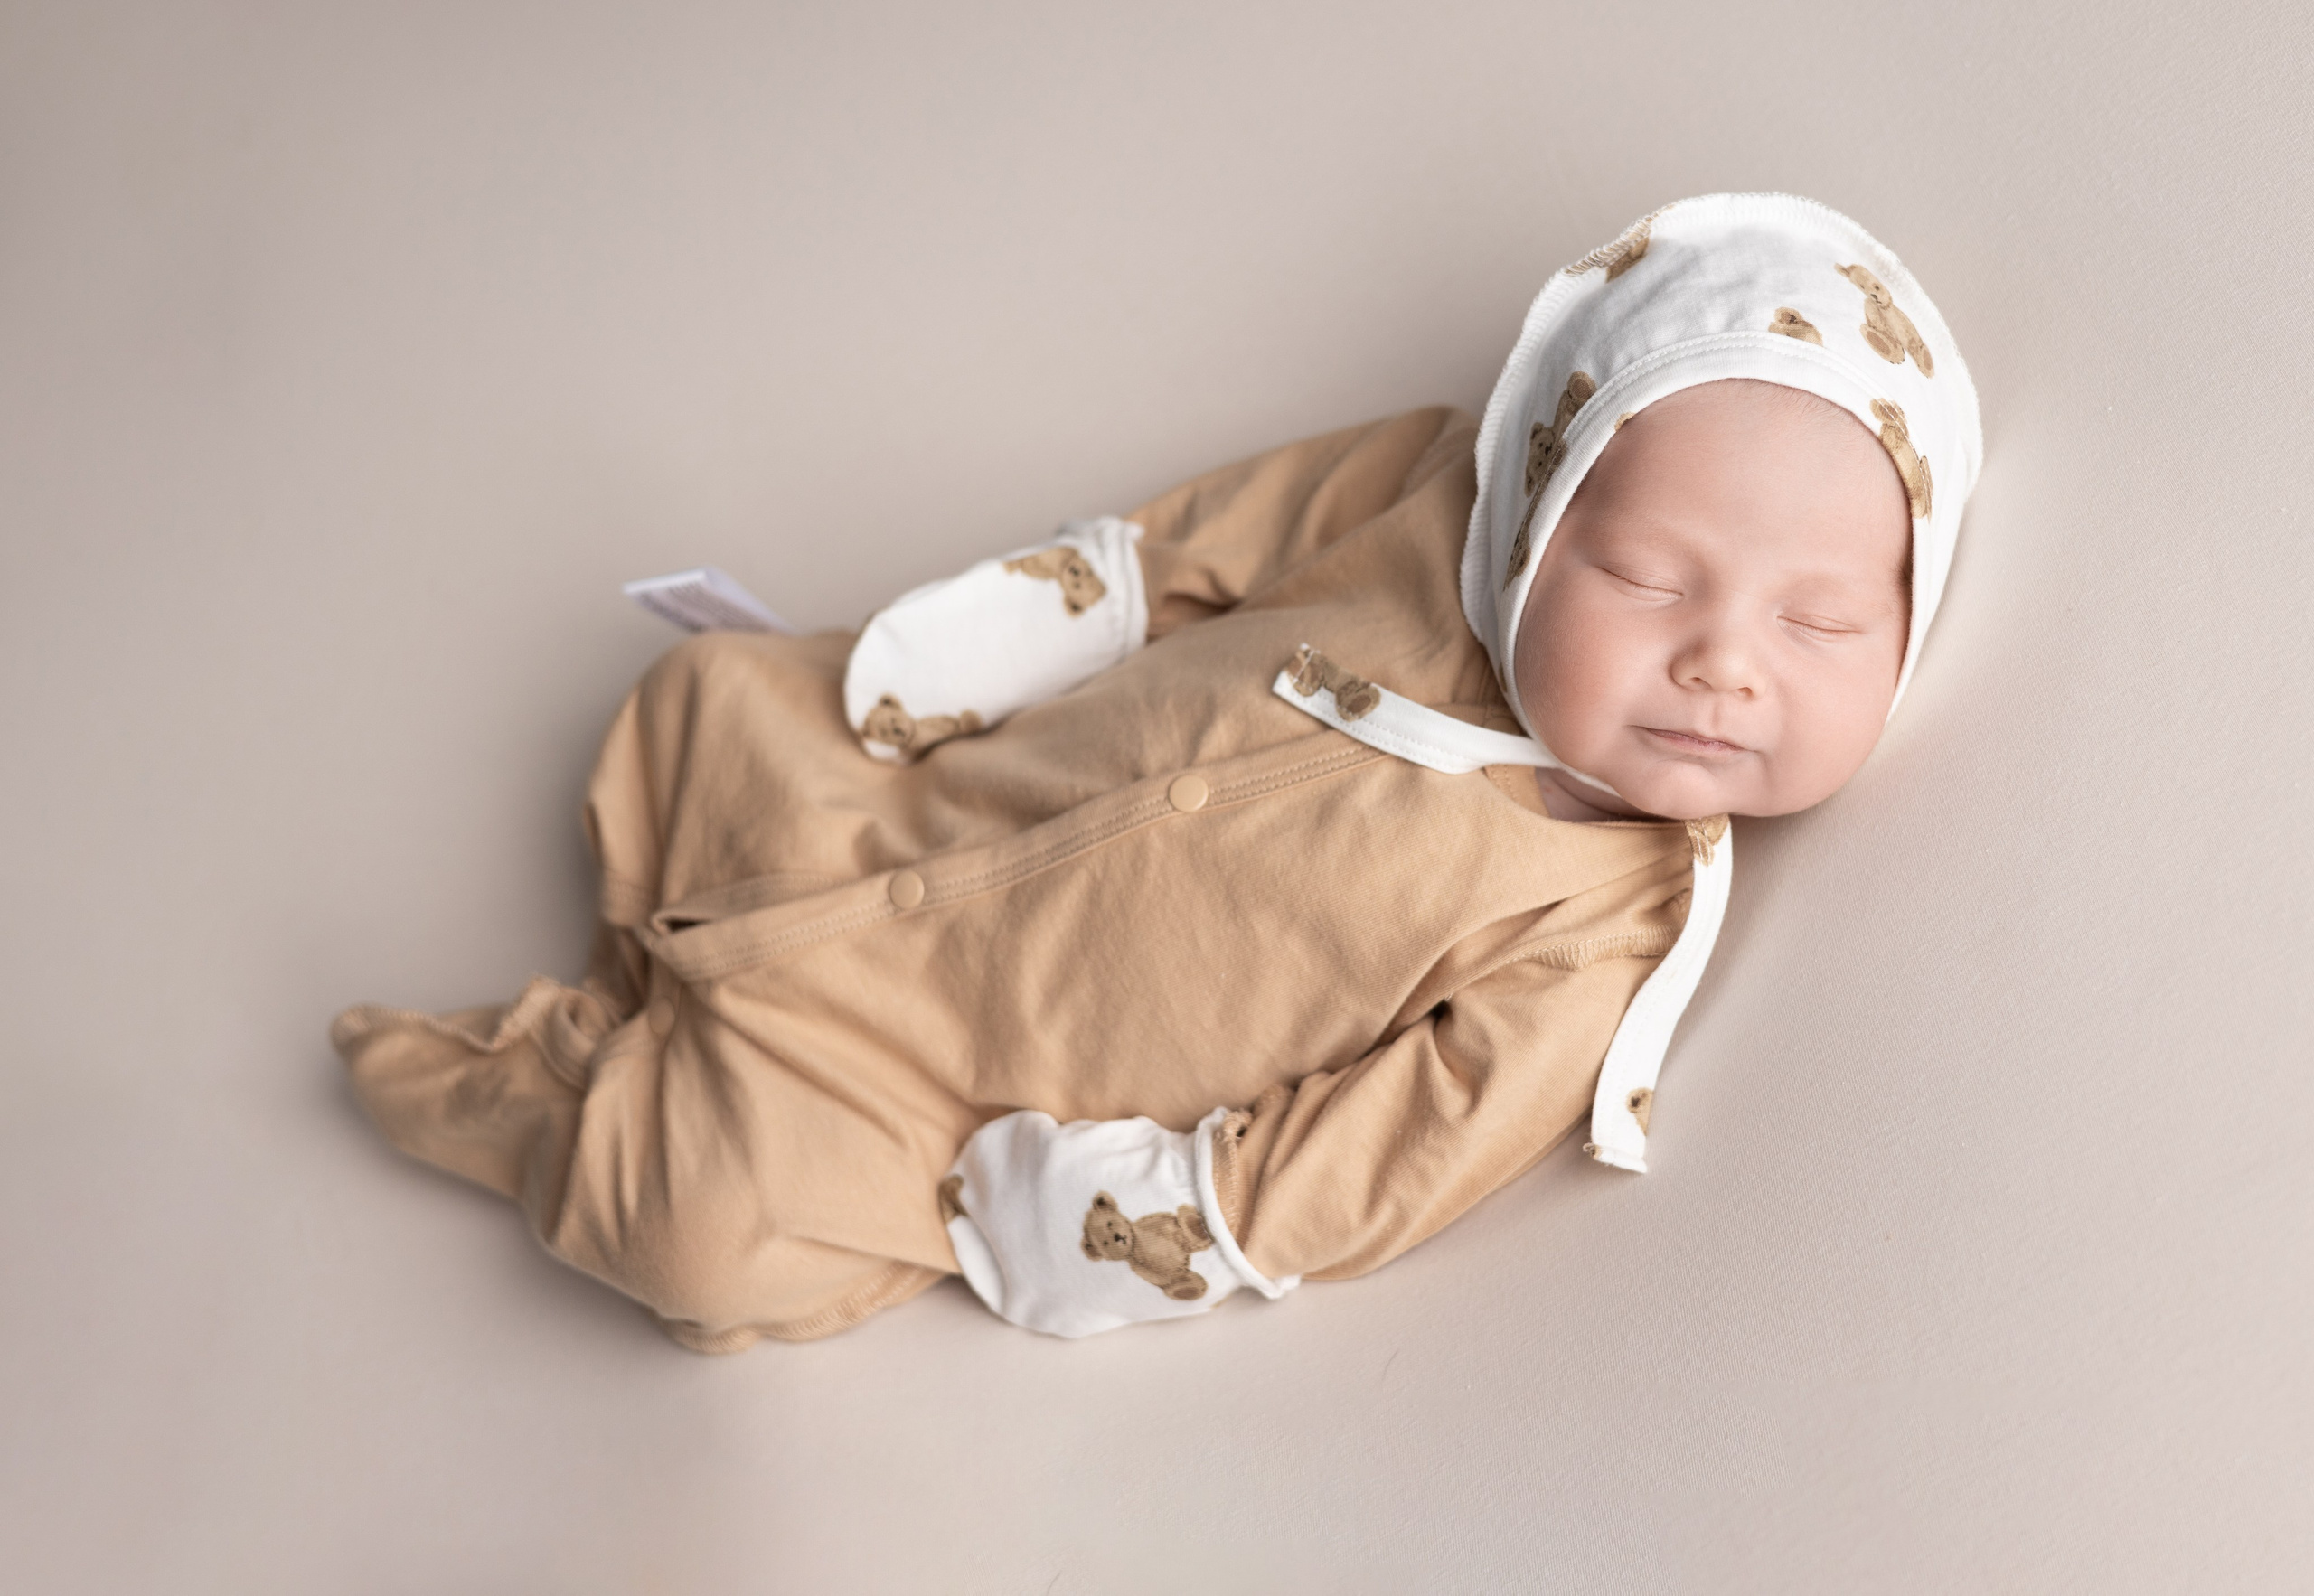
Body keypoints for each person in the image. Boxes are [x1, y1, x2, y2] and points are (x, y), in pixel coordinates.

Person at [332, 193, 1980, 1348]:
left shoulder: (1592, 936)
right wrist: (1011, 625)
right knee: (694, 705)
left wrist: (1166, 1221)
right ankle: (656, 926)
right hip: (921, 802)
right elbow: (1191, 546)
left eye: (1822, 620)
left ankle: (524, 1088)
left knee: (699, 1224)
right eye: (1650, 577)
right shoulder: (1423, 500)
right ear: (1539, 520)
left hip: (931, 1070)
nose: (1724, 657)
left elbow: (1387, 1155)